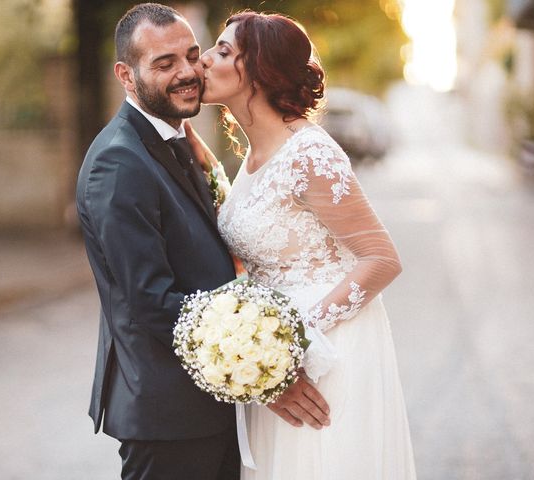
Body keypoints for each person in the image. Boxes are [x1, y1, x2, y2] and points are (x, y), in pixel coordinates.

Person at [75, 4, 329, 479]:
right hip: (167, 419)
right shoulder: (120, 163)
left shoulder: (178, 140)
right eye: (164, 63)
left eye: (192, 55)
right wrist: (263, 373)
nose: (188, 72)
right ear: (126, 76)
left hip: (208, 409)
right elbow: (153, 303)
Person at [190, 11, 417, 479]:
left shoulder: (310, 153)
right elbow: (257, 234)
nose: (205, 60)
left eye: (225, 51)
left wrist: (292, 338)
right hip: (274, 357)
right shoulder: (252, 157)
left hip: (327, 351)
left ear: (262, 74)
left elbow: (381, 258)